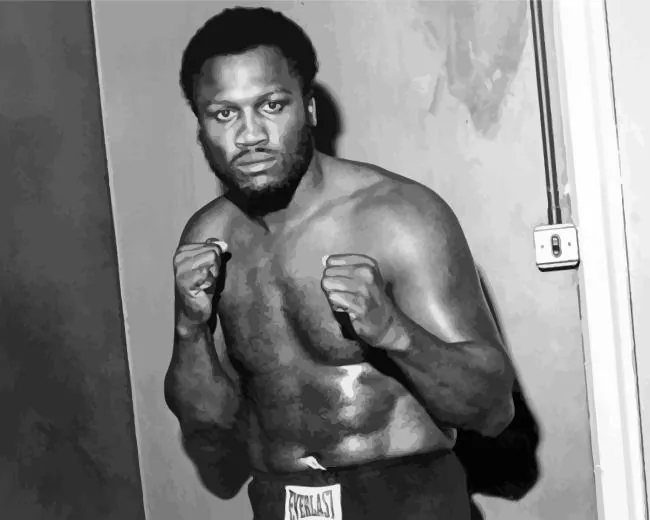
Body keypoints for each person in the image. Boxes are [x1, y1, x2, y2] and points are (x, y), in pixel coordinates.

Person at [165, 7, 515, 520]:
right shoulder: (208, 236)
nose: (250, 135)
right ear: (201, 126)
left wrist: (394, 332)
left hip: (407, 499)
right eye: (224, 114)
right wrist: (189, 328)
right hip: (279, 499)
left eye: (271, 105)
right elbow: (207, 427)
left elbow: (492, 410)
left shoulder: (398, 217)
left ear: (308, 108)